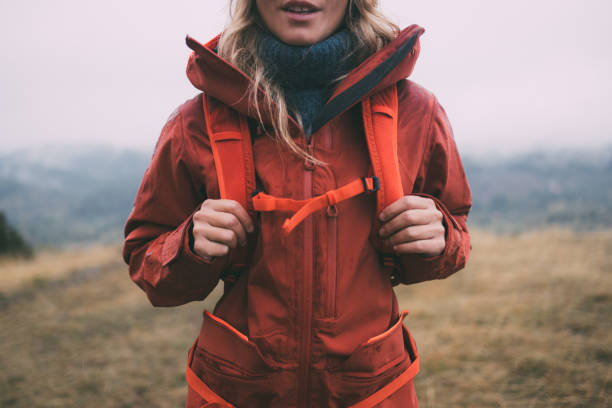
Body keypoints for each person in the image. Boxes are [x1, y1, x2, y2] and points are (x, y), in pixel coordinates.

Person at [123, 0, 472, 406]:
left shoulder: (417, 111)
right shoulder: (194, 121)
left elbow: (456, 232)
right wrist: (190, 244)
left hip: (371, 391)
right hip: (236, 391)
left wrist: (439, 235)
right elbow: (145, 259)